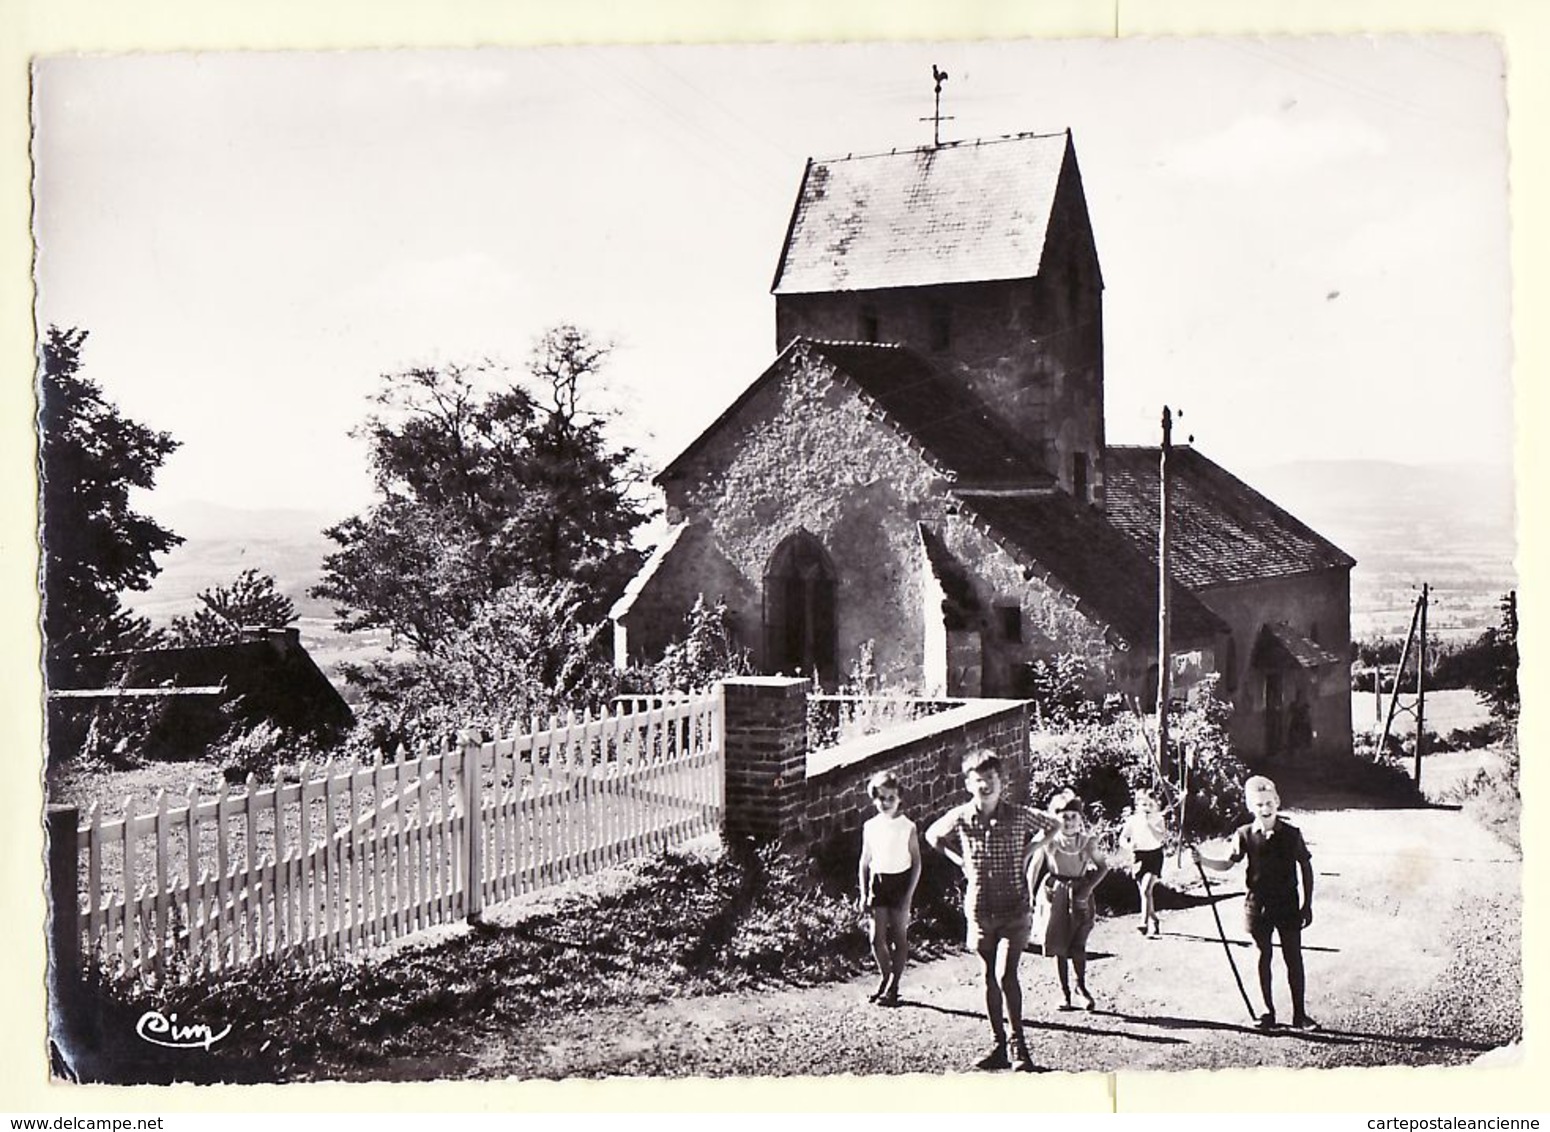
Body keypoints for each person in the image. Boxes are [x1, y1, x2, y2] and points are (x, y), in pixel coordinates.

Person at [925, 750, 1061, 1072]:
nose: (984, 786)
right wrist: (960, 862)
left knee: (1006, 974)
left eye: (991, 779)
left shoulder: (1017, 814)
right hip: (980, 908)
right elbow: (932, 835)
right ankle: (998, 1044)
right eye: (978, 780)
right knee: (989, 976)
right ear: (968, 783)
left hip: (1015, 907)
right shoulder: (962, 816)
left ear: (1002, 782)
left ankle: (1019, 1046)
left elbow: (1053, 824)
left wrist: (1031, 849)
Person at [1194, 774, 1317, 1030]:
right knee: (1263, 956)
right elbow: (1228, 862)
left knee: (1293, 957)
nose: (1265, 808)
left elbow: (1305, 866)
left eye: (1269, 802)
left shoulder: (1292, 834)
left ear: (1277, 802)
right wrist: (1203, 860)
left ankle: (1300, 1015)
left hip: (1287, 904)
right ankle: (1266, 1013)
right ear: (1251, 807)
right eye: (1259, 804)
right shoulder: (1245, 834)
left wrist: (1307, 904)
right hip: (1257, 906)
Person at [1032, 790, 1110, 1011]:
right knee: (1059, 945)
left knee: (1078, 944)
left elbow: (1103, 867)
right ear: (1054, 817)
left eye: (1073, 816)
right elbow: (1034, 867)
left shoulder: (1086, 842)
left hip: (1080, 893)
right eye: (1063, 816)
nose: (1068, 822)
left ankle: (1081, 987)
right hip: (1056, 892)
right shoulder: (1049, 840)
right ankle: (1064, 992)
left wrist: (1088, 888)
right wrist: (1028, 895)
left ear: (1080, 818)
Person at [857, 770, 922, 1006]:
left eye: (890, 798)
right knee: (876, 938)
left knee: (899, 936)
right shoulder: (870, 826)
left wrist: (909, 895)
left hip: (900, 882)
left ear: (899, 799)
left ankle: (894, 986)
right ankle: (885, 977)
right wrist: (864, 892)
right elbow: (865, 861)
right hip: (879, 883)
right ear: (874, 798)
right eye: (880, 798)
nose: (885, 803)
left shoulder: (908, 827)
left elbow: (916, 863)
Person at [1120, 788, 1168, 938]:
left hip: (1154, 856)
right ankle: (1154, 919)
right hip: (1138, 856)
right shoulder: (1133, 820)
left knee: (1146, 889)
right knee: (1145, 893)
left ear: (1155, 806)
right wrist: (1128, 846)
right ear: (1137, 805)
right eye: (1143, 805)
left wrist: (1150, 825)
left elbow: (1162, 838)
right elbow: (1122, 838)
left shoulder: (1158, 819)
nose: (1146, 808)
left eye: (1150, 805)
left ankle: (1143, 923)